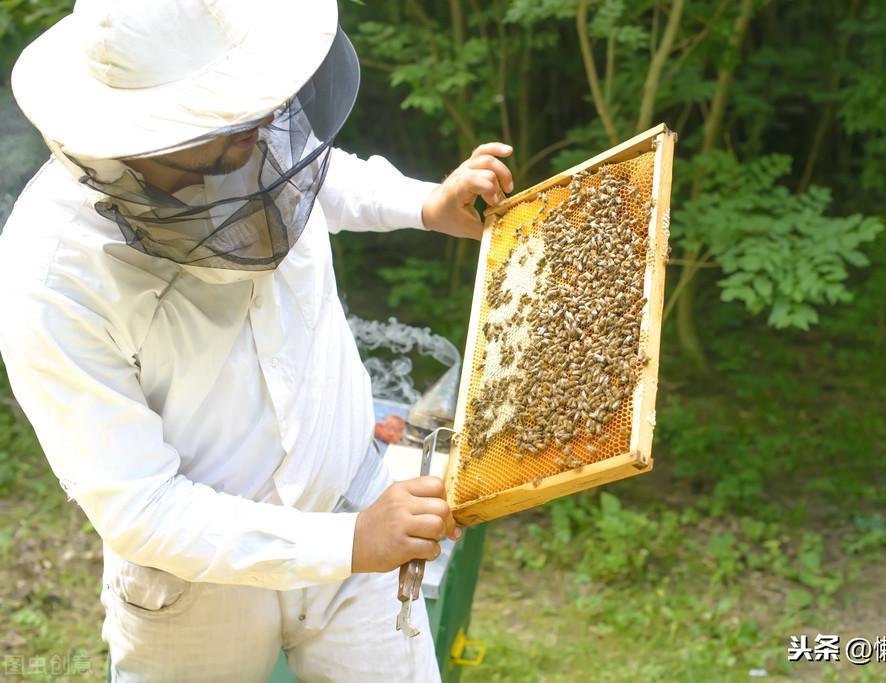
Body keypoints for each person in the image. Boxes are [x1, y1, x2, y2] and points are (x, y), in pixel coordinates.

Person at [0, 1, 514, 680]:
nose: (262, 128)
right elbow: (140, 507)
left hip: (353, 497)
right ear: (139, 135)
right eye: (223, 122)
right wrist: (348, 542)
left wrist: (422, 202)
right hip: (199, 591)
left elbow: (314, 175)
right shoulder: (48, 276)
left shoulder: (248, 125)